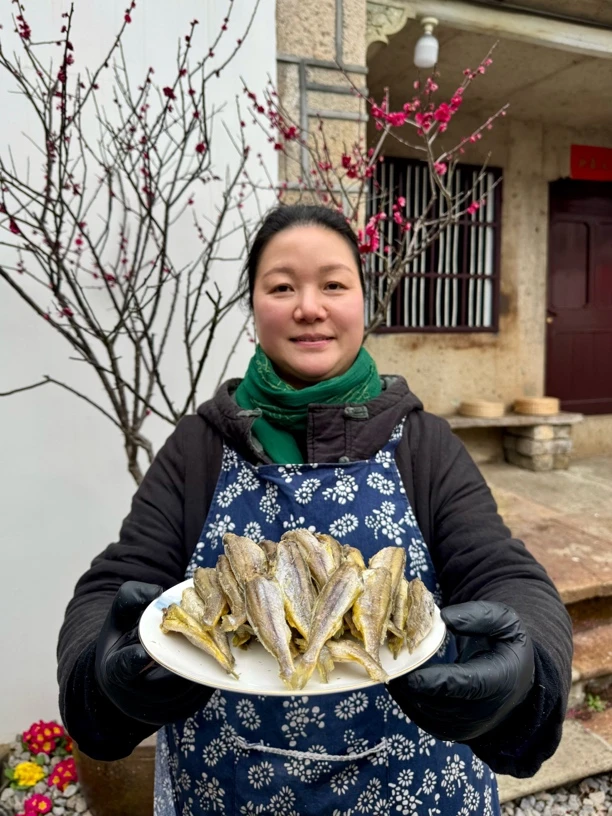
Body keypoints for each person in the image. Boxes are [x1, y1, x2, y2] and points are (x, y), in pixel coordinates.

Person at [57, 204, 573, 816]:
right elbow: (115, 586)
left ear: (362, 301)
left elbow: (503, 574)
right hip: (225, 792)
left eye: (334, 284)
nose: (309, 306)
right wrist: (101, 678)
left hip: (415, 789)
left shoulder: (425, 444)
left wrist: (528, 675)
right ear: (253, 306)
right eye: (282, 286)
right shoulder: (198, 447)